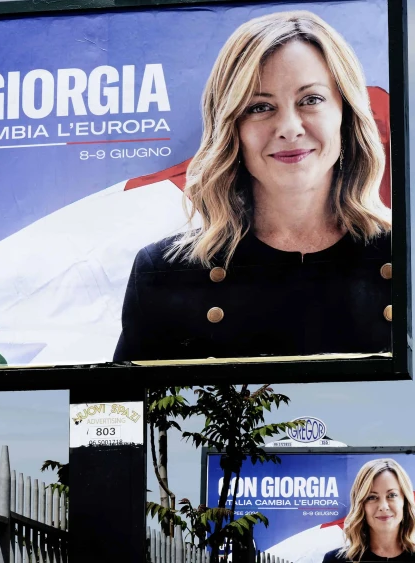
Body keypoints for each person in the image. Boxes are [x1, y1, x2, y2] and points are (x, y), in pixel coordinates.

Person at [113, 11, 392, 362]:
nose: (289, 128)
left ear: (346, 114)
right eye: (260, 107)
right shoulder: (165, 271)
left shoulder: (408, 257)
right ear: (232, 129)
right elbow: (112, 413)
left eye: (311, 100)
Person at [322, 459, 415, 562]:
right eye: (372, 497)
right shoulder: (335, 560)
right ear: (361, 505)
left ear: (405, 501)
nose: (383, 506)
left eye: (392, 495)